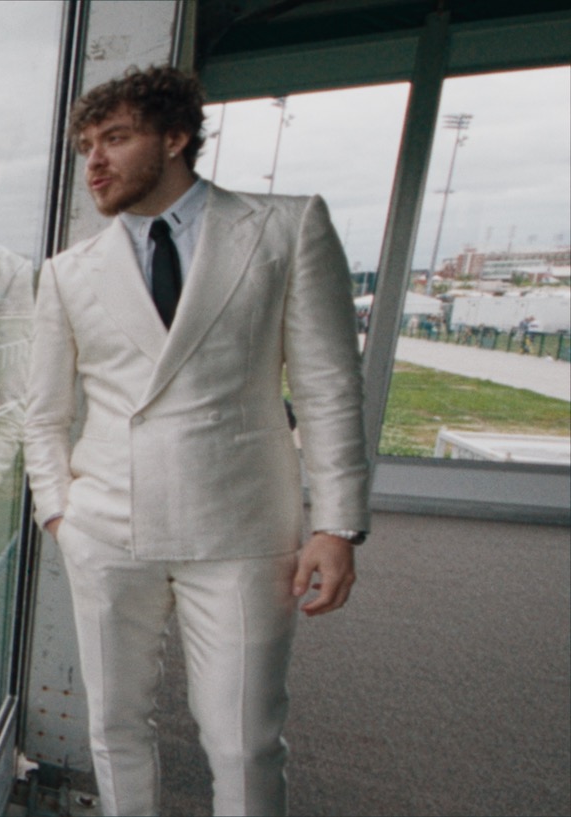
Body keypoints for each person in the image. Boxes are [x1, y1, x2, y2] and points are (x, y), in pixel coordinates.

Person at [23, 66, 368, 817]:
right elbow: (43, 413)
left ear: (176, 137)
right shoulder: (68, 273)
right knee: (114, 728)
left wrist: (337, 525)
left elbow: (329, 387)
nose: (95, 162)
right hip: (107, 529)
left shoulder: (285, 228)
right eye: (86, 146)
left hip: (242, 529)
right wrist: (60, 515)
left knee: (245, 742)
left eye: (115, 138)